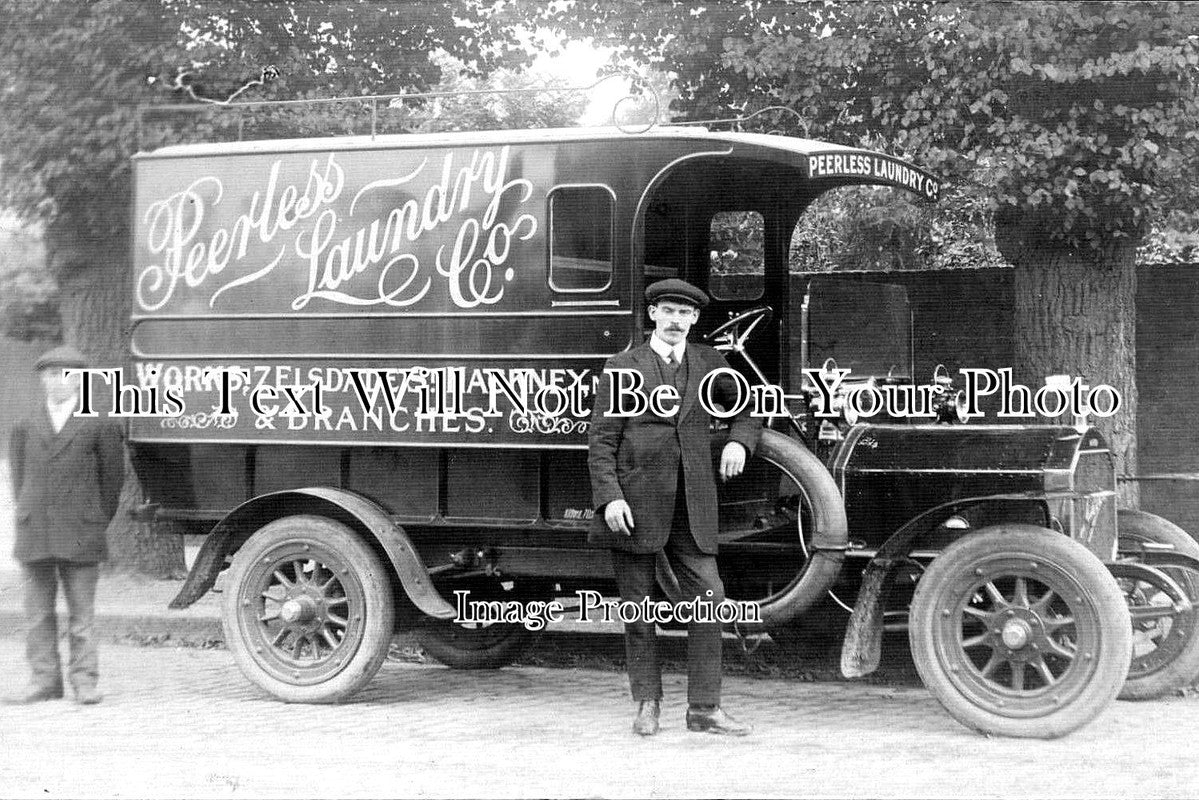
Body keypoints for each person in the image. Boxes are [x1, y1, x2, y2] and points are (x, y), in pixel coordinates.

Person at [588, 278, 763, 736]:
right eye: (667, 311)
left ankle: (705, 708)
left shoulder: (710, 363)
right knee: (638, 610)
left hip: (693, 506)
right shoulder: (622, 366)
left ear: (695, 320)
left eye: (684, 314)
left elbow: (749, 407)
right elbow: (601, 441)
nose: (675, 321)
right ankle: (647, 704)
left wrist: (739, 444)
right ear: (652, 315)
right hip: (635, 507)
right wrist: (610, 498)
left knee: (710, 600)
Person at [4, 345, 124, 705]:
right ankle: (43, 681)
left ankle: (84, 681)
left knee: (82, 616)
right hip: (35, 529)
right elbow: (20, 476)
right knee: (37, 614)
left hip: (81, 531)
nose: (57, 381)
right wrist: (27, 510)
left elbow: (112, 481)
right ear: (42, 380)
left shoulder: (100, 423)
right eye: (50, 375)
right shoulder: (25, 424)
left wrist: (95, 518)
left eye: (65, 375)